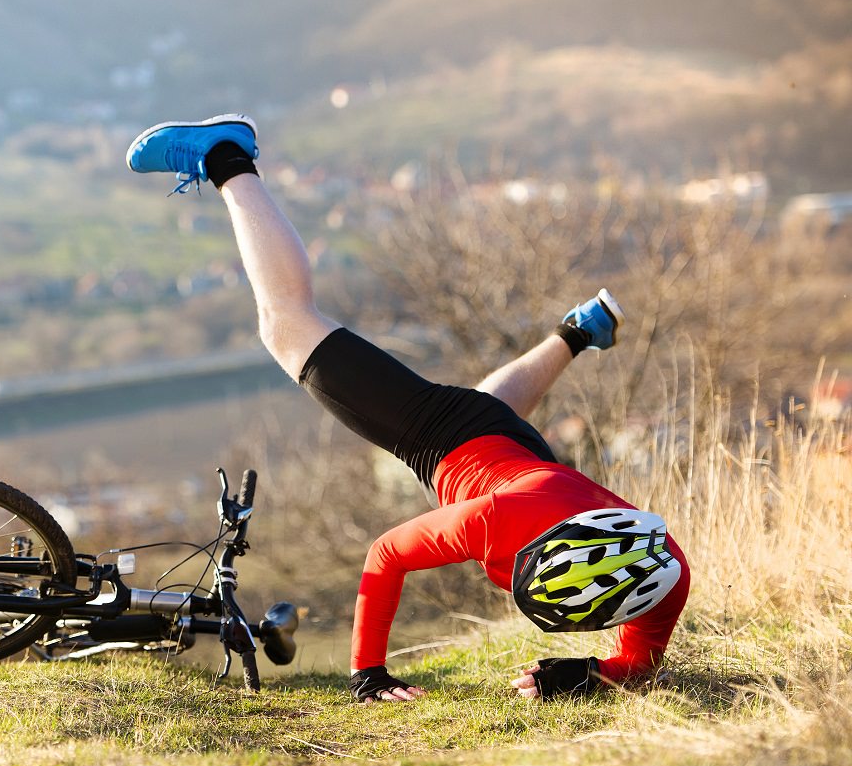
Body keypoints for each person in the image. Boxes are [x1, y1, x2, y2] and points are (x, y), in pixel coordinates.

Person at [125, 115, 690, 702]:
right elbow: (387, 554)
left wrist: (587, 672)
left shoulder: (665, 568)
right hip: (447, 443)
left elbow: (637, 664)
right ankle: (226, 158)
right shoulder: (494, 520)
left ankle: (578, 332)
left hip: (515, 454)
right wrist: (368, 673)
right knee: (287, 324)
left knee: (488, 410)